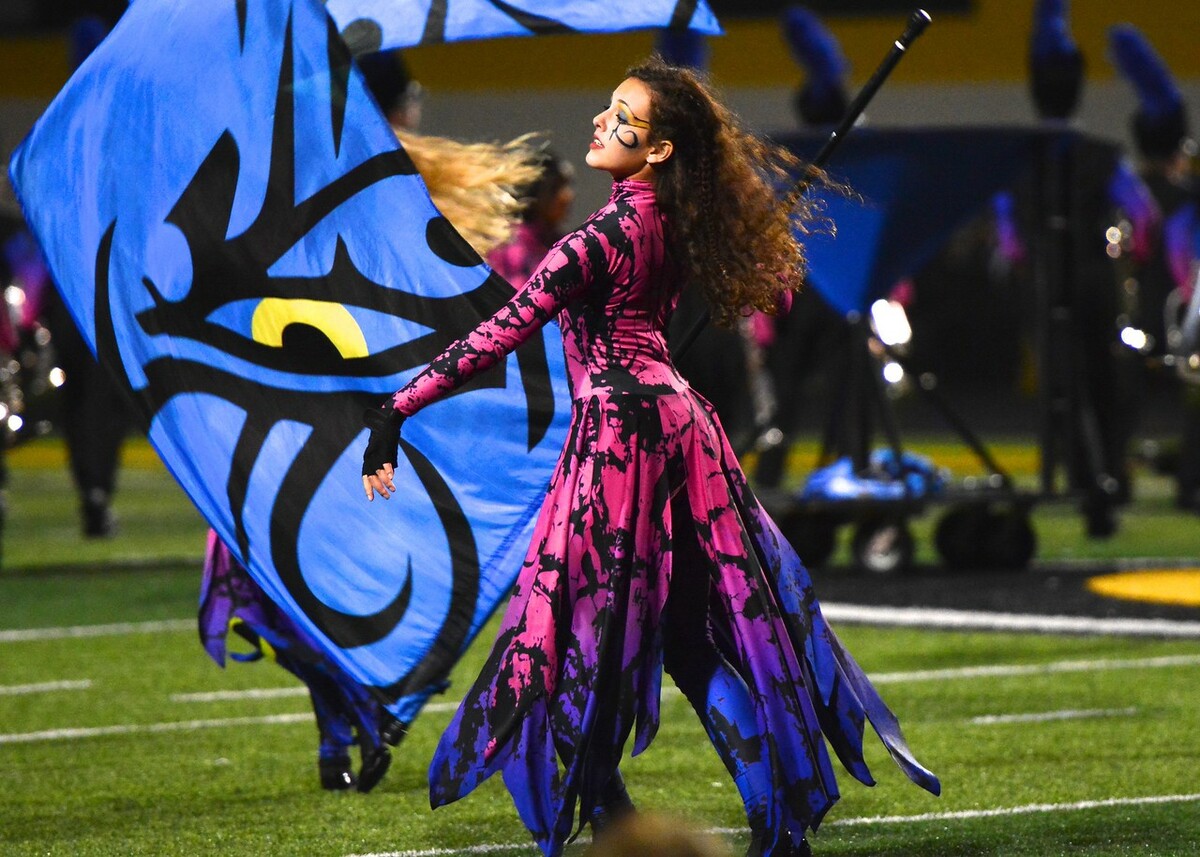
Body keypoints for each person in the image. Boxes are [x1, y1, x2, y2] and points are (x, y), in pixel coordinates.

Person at [362, 57, 939, 856]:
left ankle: (611, 821)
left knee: (565, 642)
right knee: (692, 641)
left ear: (659, 149)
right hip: (681, 419)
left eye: (621, 114)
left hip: (617, 434)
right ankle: (773, 830)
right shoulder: (669, 224)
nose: (602, 121)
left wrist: (395, 407)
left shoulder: (593, 241)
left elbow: (495, 338)